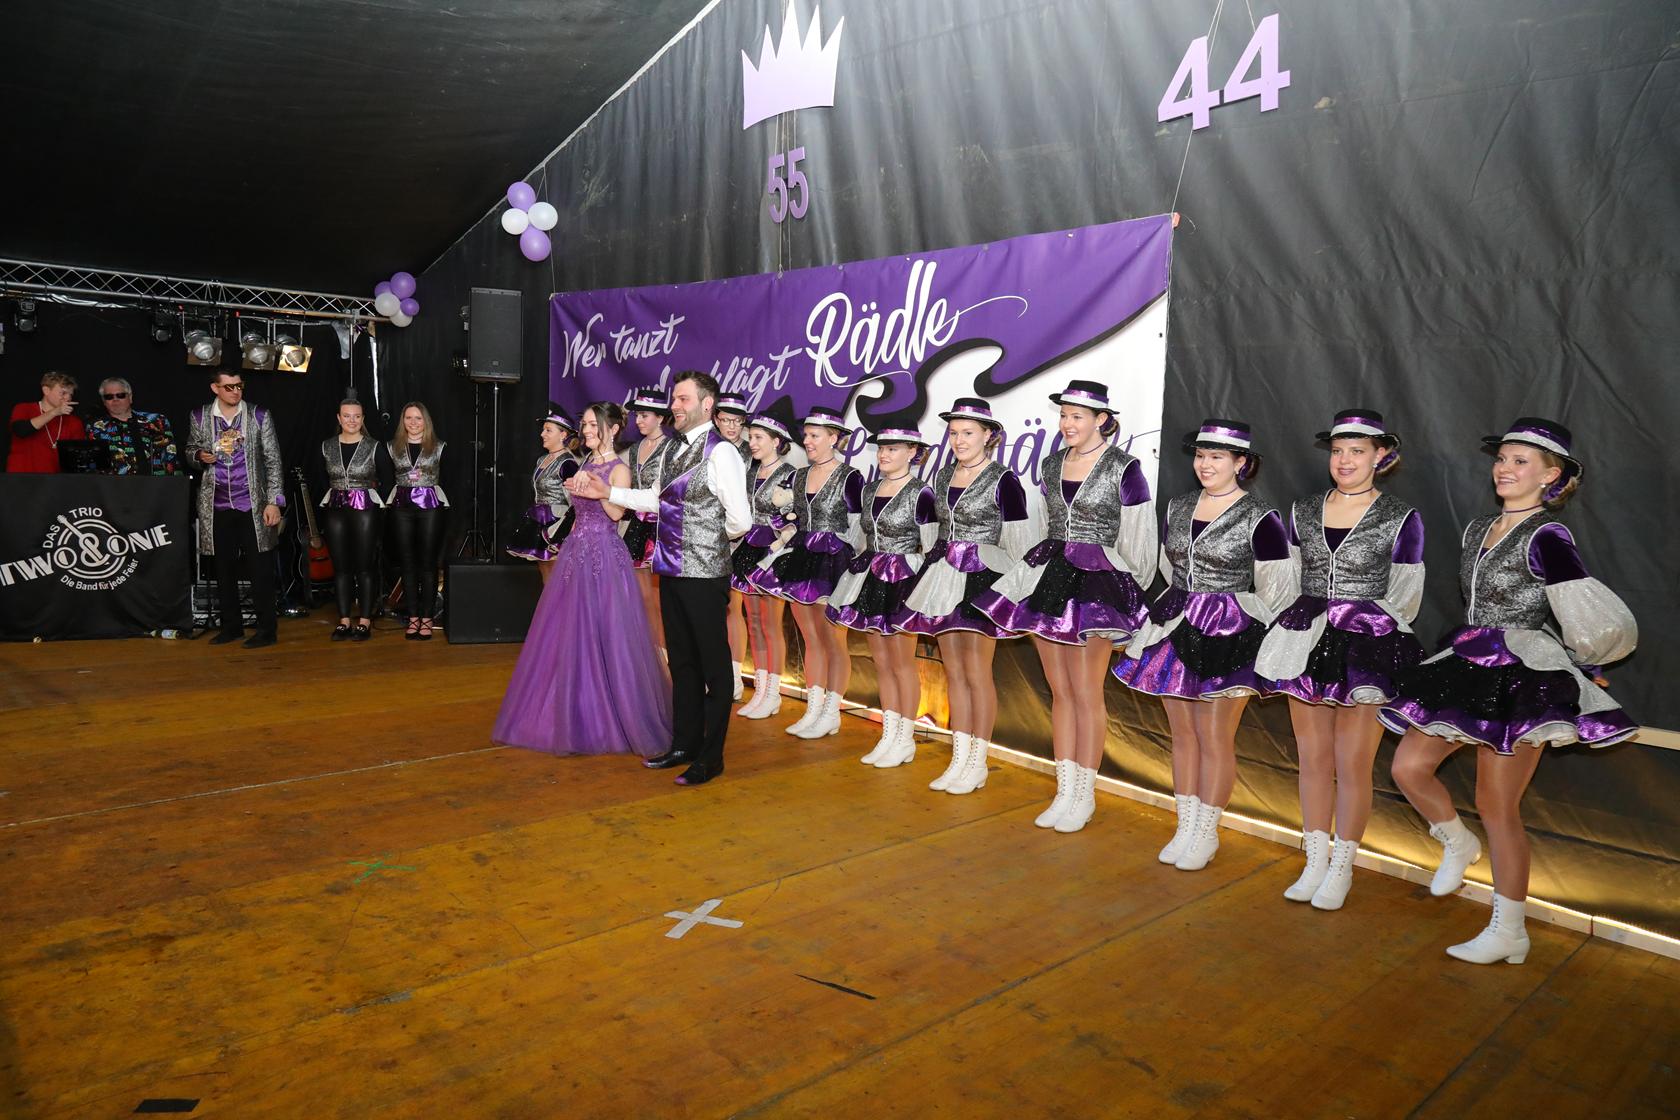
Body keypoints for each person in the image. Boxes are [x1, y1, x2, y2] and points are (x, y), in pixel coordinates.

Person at [1383, 418, 1636, 965]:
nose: (1505, 468)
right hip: (1469, 658)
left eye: (1521, 461)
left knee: (1496, 805)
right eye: (1502, 458)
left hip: (1522, 669)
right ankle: (1458, 842)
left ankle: (1509, 930)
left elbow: (1578, 602)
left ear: (1551, 476)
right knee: (1408, 767)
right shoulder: (1478, 528)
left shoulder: (1548, 535)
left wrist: (1586, 661)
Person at [1255, 411, 1425, 909]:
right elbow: (1287, 577)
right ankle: (1314, 859)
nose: (1345, 460)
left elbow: (1406, 593)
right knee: (1312, 759)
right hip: (1306, 637)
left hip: (1365, 645)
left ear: (1380, 455)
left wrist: (1379, 635)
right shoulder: (1302, 510)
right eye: (1337, 451)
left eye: (1357, 451)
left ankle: (1342, 867)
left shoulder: (1401, 517)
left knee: (1352, 764)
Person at [1112, 419, 1297, 868]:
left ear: (1241, 463)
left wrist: (1243, 624)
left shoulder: (1261, 517)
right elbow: (1166, 565)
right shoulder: (1178, 506)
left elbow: (1278, 590)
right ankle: (1186, 824)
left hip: (1228, 631)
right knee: (1182, 734)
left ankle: (1207, 831)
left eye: (1217, 456)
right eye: (1200, 455)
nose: (1205, 464)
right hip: (1177, 623)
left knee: (1215, 737)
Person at [975, 381, 1157, 833]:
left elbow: (1139, 539)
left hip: (1099, 585)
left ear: (1101, 420)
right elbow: (1042, 525)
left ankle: (1085, 794)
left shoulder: (1125, 468)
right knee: (1060, 691)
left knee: (1086, 691)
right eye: (1064, 415)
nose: (1068, 424)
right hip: (1052, 577)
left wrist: (1125, 594)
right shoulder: (1051, 463)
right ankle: (1065, 788)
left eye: (1078, 416)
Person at [568, 371, 752, 786]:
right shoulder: (672, 448)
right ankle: (684, 744)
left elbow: (741, 520)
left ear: (707, 404)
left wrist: (703, 540)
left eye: (683, 399)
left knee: (714, 666)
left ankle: (711, 757)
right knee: (682, 662)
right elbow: (655, 498)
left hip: (704, 574)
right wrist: (607, 493)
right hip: (669, 568)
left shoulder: (722, 452)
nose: (675, 406)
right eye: (675, 399)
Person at [494, 402, 673, 756]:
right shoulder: (586, 463)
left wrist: (598, 491)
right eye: (585, 424)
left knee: (606, 633)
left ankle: (610, 715)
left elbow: (616, 514)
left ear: (613, 429)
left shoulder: (619, 469)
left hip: (604, 556)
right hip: (576, 553)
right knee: (568, 632)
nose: (587, 430)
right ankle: (569, 709)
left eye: (593, 425)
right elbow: (578, 514)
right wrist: (567, 542)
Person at [901, 398, 1038, 795]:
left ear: (988, 435)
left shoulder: (1004, 479)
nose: (959, 440)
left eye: (968, 433)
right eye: (954, 433)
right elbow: (936, 533)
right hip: (946, 577)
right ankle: (959, 757)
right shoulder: (943, 476)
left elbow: (1018, 542)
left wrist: (1010, 593)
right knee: (955, 671)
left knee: (977, 673)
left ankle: (978, 761)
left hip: (983, 578)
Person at [749, 405, 865, 740]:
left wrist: (853, 564)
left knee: (833, 639)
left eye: (815, 435)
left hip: (834, 562)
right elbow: (789, 519)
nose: (808, 441)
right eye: (806, 435)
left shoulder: (850, 477)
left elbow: (858, 527)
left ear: (834, 438)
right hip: (801, 558)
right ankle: (813, 708)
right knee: (811, 637)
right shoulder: (798, 476)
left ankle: (831, 711)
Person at [827, 428, 939, 768]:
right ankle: (889, 734)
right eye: (881, 449)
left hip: (903, 579)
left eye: (893, 449)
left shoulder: (921, 493)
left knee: (902, 663)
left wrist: (921, 587)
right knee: (882, 661)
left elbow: (931, 546)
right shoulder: (871, 489)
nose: (884, 455)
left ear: (912, 452)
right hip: (873, 576)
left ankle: (905, 738)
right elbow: (865, 536)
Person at [185, 369, 284, 648]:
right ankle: (232, 627)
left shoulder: (259, 415)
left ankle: (266, 630)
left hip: (253, 504)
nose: (235, 391)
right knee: (223, 569)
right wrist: (199, 456)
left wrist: (274, 502)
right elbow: (190, 450)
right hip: (216, 504)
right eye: (228, 387)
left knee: (260, 569)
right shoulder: (200, 416)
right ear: (215, 388)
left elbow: (273, 460)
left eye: (239, 386)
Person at [732, 414, 798, 720]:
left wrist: (781, 540)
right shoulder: (750, 472)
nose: (753, 443)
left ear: (776, 441)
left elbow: (794, 520)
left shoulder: (790, 474)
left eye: (759, 438)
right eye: (751, 437)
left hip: (774, 551)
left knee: (772, 623)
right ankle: (759, 689)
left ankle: (773, 692)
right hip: (748, 546)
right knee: (754, 621)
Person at [318, 395, 395, 641]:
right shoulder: (327, 446)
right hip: (335, 509)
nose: (352, 420)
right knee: (341, 567)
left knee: (364, 566)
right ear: (339, 418)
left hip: (365, 509)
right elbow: (320, 479)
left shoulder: (374, 446)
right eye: (347, 416)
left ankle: (364, 621)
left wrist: (378, 505)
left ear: (362, 419)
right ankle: (343, 621)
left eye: (357, 416)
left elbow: (388, 479)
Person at [387, 402, 448, 640]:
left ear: (426, 421)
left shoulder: (439, 446)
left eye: (418, 418)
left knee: (428, 564)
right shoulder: (392, 447)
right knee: (407, 563)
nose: (413, 422)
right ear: (403, 421)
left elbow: (449, 480)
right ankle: (413, 617)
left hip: (430, 507)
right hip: (401, 508)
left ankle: (427, 617)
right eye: (409, 418)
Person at [506, 404, 580, 582]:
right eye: (543, 430)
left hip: (555, 522)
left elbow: (576, 500)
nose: (542, 434)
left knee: (556, 576)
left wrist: (569, 528)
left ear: (563, 435)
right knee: (545, 573)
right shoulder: (542, 460)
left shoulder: (567, 463)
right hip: (539, 518)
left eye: (548, 430)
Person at [621, 386, 670, 653]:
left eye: (644, 415)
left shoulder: (670, 448)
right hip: (636, 525)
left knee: (658, 597)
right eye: (637, 415)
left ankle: (663, 652)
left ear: (660, 417)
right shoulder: (634, 448)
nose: (638, 420)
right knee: (640, 595)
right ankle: (647, 651)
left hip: (660, 526)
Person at [714, 391, 753, 699]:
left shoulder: (753, 452)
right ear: (716, 419)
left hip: (744, 535)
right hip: (712, 535)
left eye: (737, 421)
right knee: (713, 606)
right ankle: (715, 669)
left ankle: (736, 675)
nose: (731, 426)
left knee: (734, 607)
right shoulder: (710, 448)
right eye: (726, 420)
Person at [87, 378, 180, 475]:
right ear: (104, 401)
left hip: (157, 482)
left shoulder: (157, 420)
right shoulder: (95, 427)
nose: (115, 399)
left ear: (130, 397)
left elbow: (171, 455)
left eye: (120, 395)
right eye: (109, 397)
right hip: (114, 484)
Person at [8, 371, 86, 473]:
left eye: (70, 394)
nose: (68, 398)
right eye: (63, 393)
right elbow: (20, 431)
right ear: (46, 390)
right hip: (20, 476)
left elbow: (76, 457)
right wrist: (54, 412)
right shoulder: (24, 408)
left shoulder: (74, 422)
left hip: (54, 479)